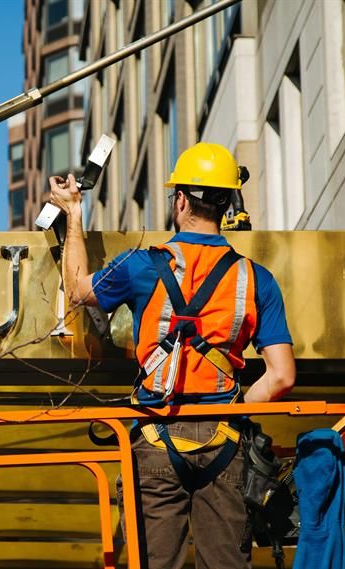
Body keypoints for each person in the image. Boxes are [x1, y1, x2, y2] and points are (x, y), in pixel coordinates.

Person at [48, 142, 296, 569]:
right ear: (227, 202)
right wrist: (232, 414)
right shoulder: (257, 280)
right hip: (225, 443)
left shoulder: (142, 265)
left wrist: (72, 212)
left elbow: (76, 289)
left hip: (156, 436)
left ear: (180, 200)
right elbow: (281, 377)